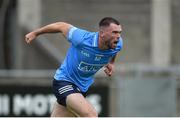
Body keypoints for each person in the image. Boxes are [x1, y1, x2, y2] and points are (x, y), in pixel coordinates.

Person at [25, 17, 123, 117]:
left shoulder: (118, 44)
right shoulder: (82, 39)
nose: (118, 36)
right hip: (64, 82)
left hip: (81, 89)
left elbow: (114, 51)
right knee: (91, 115)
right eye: (114, 32)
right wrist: (36, 33)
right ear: (102, 33)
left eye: (119, 32)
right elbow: (61, 26)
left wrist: (111, 63)